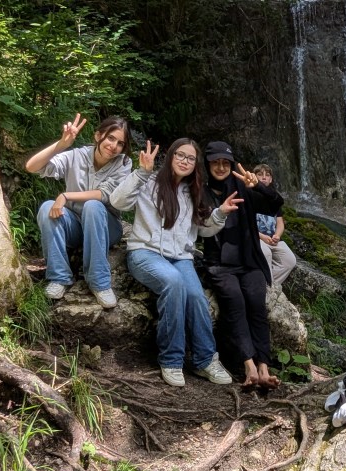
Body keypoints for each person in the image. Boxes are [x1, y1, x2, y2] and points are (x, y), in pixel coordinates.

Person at [109, 138, 238, 387]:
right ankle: (171, 359)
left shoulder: (194, 191)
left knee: (196, 296)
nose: (184, 161)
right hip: (144, 253)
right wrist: (141, 172)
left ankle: (205, 360)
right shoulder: (149, 182)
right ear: (170, 156)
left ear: (195, 164)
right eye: (180, 155)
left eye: (190, 158)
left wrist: (220, 213)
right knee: (174, 282)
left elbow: (203, 230)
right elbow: (117, 202)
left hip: (180, 257)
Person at [27, 114, 133, 309]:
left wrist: (66, 196)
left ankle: (100, 283)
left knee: (93, 205)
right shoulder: (77, 155)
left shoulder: (123, 163)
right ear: (98, 136)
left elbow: (104, 194)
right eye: (110, 138)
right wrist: (61, 144)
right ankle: (59, 278)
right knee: (47, 207)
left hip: (107, 227)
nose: (113, 146)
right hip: (76, 226)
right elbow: (32, 166)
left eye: (120, 143)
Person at [202, 142, 285, 389]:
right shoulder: (201, 191)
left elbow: (275, 204)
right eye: (215, 162)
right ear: (207, 164)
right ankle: (249, 367)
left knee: (257, 304)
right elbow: (199, 227)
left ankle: (264, 367)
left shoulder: (243, 187)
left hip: (249, 261)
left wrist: (258, 186)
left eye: (225, 163)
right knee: (235, 303)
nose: (220, 167)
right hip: (219, 264)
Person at [252, 164, 297, 286]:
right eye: (260, 174)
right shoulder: (250, 195)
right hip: (256, 237)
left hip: (273, 239)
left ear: (271, 179)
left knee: (289, 260)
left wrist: (277, 235)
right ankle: (267, 288)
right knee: (266, 253)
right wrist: (261, 236)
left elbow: (280, 222)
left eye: (267, 175)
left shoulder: (274, 199)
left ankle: (268, 286)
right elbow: (245, 223)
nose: (264, 177)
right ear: (254, 177)